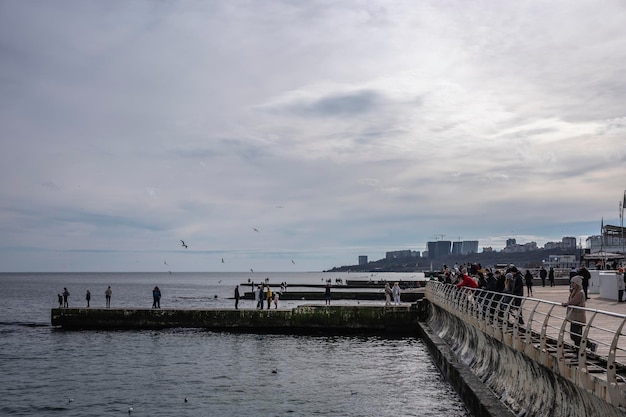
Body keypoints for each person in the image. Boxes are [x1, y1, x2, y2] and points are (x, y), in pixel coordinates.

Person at [561, 276, 586, 354]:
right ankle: (578, 351)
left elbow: (574, 301)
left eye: (573, 283)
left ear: (577, 283)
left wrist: (566, 304)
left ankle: (590, 345)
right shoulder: (575, 291)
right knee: (574, 335)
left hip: (578, 317)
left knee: (575, 335)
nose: (572, 284)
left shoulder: (580, 292)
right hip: (574, 317)